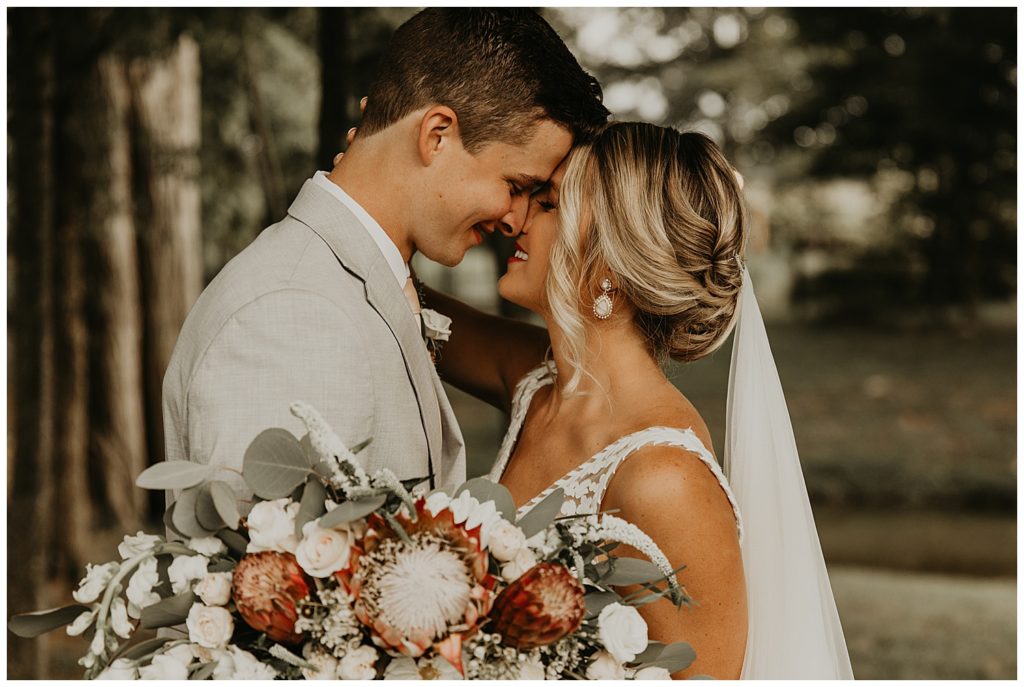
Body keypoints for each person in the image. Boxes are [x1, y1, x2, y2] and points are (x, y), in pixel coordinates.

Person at [422, 122, 854, 679]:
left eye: (548, 204)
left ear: (607, 261)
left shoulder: (664, 478)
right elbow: (404, 301)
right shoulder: (535, 380)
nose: (514, 218)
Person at [160, 9, 610, 506]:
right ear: (436, 134)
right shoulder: (292, 314)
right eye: (516, 186)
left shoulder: (355, 281)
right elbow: (264, 575)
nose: (514, 219)